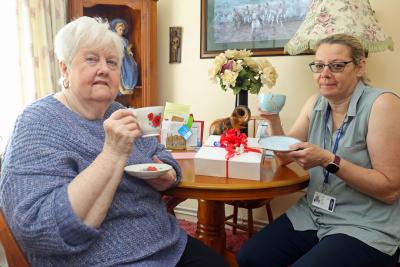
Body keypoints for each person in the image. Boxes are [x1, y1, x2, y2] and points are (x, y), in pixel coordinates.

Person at [0, 16, 228, 267]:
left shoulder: (117, 110)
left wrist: (167, 174)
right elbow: (40, 229)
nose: (104, 69)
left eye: (112, 62)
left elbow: (159, 152)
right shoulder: (37, 123)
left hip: (166, 243)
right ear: (64, 69)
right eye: (91, 59)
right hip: (106, 260)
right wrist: (112, 153)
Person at [237, 33, 400, 267]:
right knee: (250, 257)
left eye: (337, 66)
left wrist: (327, 159)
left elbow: (389, 190)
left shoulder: (382, 104)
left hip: (365, 225)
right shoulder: (316, 103)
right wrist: (273, 120)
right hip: (314, 214)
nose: (325, 74)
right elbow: (284, 157)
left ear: (360, 67)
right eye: (319, 65)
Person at [110, 18, 138, 91]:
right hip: (118, 57)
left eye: (122, 30)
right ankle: (122, 85)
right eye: (120, 30)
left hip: (126, 57)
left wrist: (129, 52)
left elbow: (127, 49)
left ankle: (129, 84)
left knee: (133, 66)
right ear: (115, 29)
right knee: (119, 70)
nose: (121, 31)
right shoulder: (114, 39)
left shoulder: (125, 40)